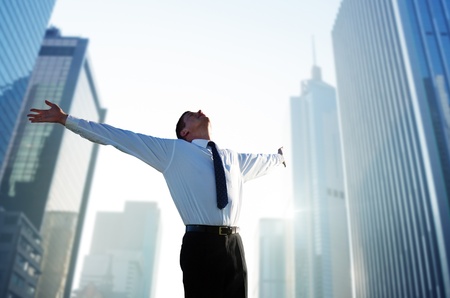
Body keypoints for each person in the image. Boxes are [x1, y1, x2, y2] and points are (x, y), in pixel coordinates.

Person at [28, 100, 285, 298]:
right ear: (184, 132)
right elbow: (118, 137)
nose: (198, 110)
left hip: (234, 246)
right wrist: (66, 120)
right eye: (190, 115)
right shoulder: (172, 151)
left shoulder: (234, 159)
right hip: (201, 245)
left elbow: (266, 161)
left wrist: (280, 158)